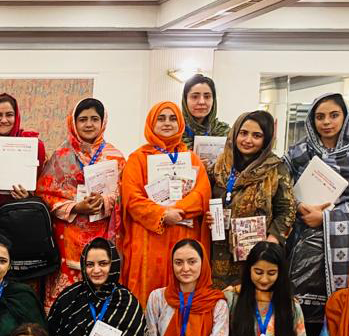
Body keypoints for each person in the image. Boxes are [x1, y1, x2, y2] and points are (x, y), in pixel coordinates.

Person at [285, 92, 349, 336]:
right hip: (300, 248)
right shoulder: (298, 153)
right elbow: (280, 191)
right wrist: (297, 206)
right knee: (299, 313)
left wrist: (324, 218)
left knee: (334, 315)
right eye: (320, 116)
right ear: (311, 121)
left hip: (340, 250)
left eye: (333, 115)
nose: (326, 122)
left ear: (345, 117)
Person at [119, 102, 211, 303]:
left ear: (180, 123)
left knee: (182, 288)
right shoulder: (137, 159)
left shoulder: (192, 159)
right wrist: (161, 215)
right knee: (147, 291)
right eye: (161, 118)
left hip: (183, 233)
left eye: (173, 118)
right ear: (151, 123)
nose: (167, 123)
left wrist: (176, 211)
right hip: (148, 239)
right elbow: (132, 199)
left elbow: (202, 194)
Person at [36, 97, 125, 306]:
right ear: (73, 122)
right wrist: (76, 207)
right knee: (66, 300)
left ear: (103, 122)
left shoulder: (116, 157)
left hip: (103, 237)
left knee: (99, 295)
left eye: (95, 119)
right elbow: (44, 194)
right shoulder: (61, 156)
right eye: (83, 119)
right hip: (66, 241)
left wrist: (104, 201)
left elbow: (124, 196)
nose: (89, 124)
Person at [207, 111, 295, 288]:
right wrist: (206, 215)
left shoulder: (275, 168)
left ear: (266, 139)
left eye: (257, 135)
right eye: (243, 133)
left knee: (248, 303)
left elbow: (287, 209)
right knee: (221, 304)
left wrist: (272, 241)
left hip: (256, 253)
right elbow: (205, 197)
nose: (248, 140)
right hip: (218, 250)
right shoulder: (219, 165)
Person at [0, 93, 47, 226]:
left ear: (16, 117)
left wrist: (28, 195)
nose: (4, 120)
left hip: (22, 217)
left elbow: (43, 186)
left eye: (9, 115)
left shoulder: (33, 146)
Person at [179, 74, 229, 151]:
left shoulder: (224, 132)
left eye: (207, 97)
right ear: (185, 100)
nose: (201, 102)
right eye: (195, 97)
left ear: (213, 100)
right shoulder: (174, 131)